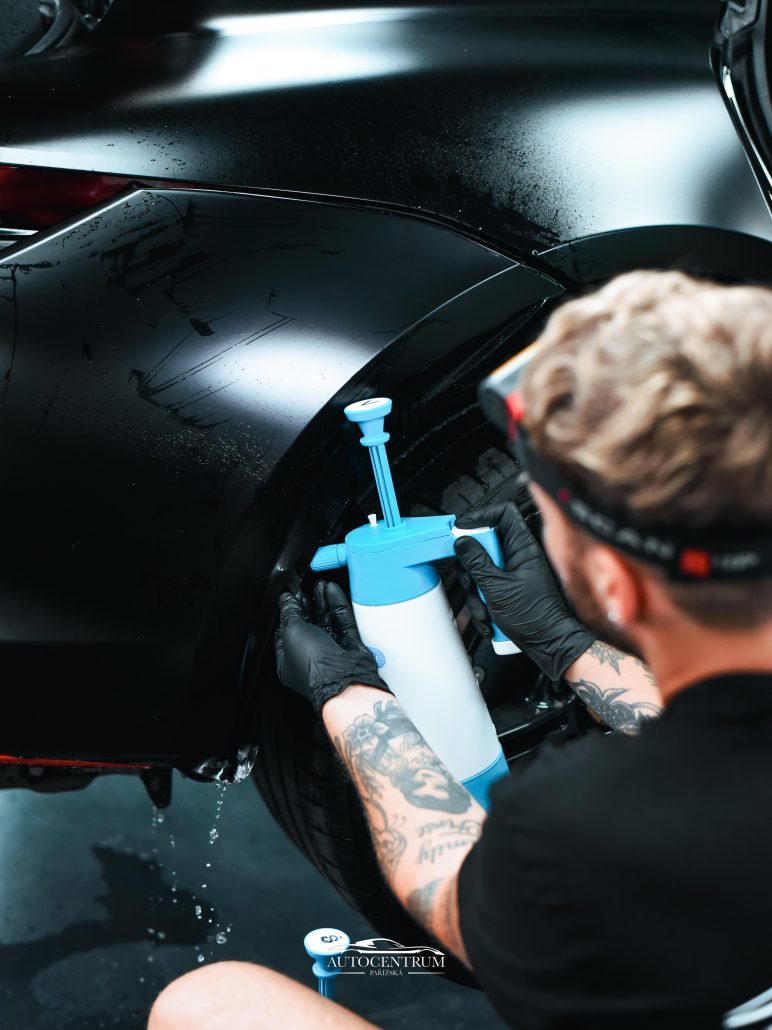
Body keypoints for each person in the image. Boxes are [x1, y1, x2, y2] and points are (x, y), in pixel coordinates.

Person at [148, 271, 772, 1030]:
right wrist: (570, 647)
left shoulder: (581, 834)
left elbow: (445, 881)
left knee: (208, 1006)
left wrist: (348, 696)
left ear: (615, 584)